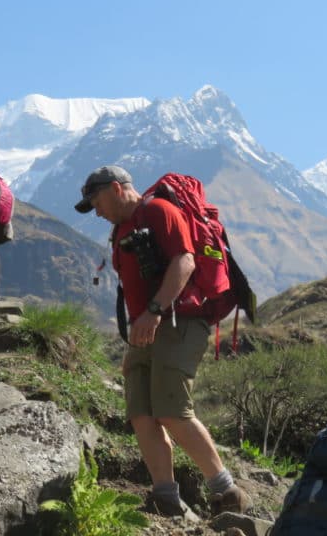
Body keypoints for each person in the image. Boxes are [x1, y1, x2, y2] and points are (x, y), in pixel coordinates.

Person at [74, 165, 249, 519]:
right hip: (147, 328)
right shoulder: (123, 227)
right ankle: (165, 498)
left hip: (178, 321)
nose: (96, 211)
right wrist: (135, 341)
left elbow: (185, 262)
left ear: (116, 189)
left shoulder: (158, 210)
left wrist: (154, 311)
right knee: (141, 413)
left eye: (97, 201)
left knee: (171, 410)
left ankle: (227, 492)